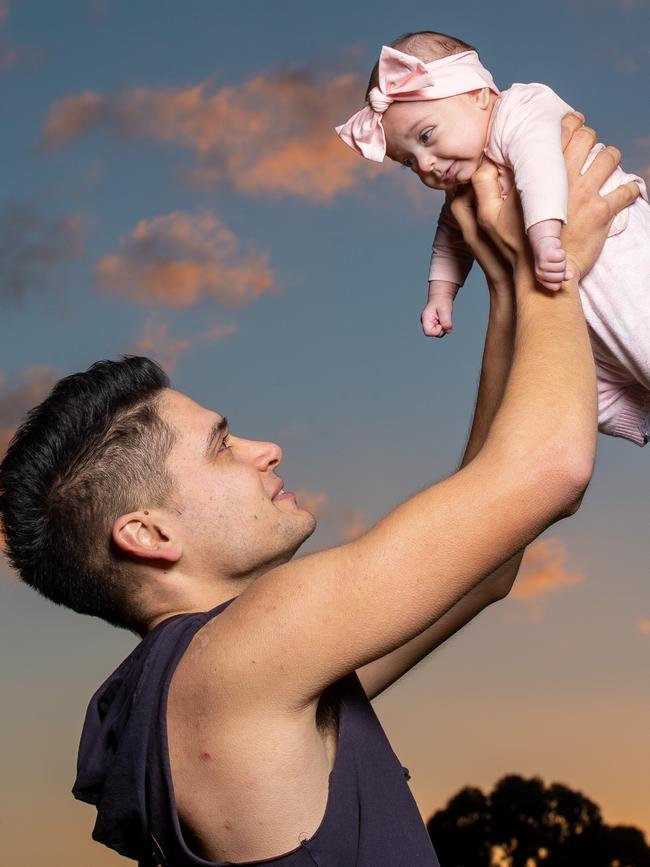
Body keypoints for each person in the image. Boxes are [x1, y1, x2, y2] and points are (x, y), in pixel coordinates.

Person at [0, 117, 638, 866]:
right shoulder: (235, 658)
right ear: (148, 534)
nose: (265, 450)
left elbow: (487, 569)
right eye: (222, 445)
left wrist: (503, 285)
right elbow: (549, 470)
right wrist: (551, 267)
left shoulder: (224, 687)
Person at [336, 31, 650, 447]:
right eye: (410, 162)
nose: (427, 164)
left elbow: (540, 165)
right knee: (574, 379)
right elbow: (450, 238)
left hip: (617, 254)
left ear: (479, 94)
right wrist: (440, 294)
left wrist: (544, 234)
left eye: (427, 136)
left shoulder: (522, 107)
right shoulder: (465, 182)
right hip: (566, 282)